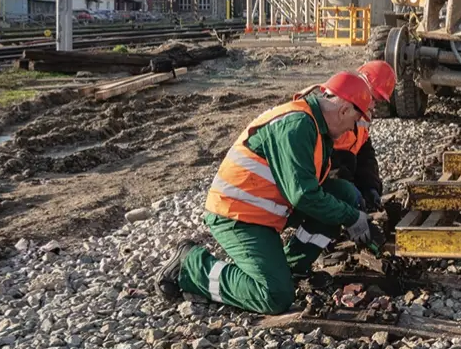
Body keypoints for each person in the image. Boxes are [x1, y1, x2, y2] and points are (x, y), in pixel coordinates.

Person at [155, 71, 385, 315]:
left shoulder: (316, 127)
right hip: (238, 214)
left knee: (343, 195)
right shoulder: (297, 126)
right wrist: (351, 217)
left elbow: (315, 187)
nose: (353, 128)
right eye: (355, 119)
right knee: (274, 296)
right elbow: (303, 196)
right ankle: (191, 266)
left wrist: (355, 204)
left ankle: (293, 267)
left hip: (268, 206)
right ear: (343, 111)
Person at [329, 60, 396, 212]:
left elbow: (365, 154)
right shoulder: (335, 109)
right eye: (372, 97)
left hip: (343, 170)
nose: (372, 105)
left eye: (376, 100)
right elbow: (328, 161)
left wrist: (370, 186)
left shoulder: (361, 116)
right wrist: (349, 190)